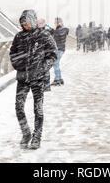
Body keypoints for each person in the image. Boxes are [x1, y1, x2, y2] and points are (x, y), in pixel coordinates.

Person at [9, 10, 58, 149]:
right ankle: (26, 133)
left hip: (38, 78)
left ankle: (37, 137)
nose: (25, 26)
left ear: (32, 21)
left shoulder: (43, 35)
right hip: (23, 78)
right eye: (23, 24)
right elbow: (12, 53)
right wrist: (18, 65)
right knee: (19, 107)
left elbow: (53, 54)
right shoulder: (18, 36)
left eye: (27, 23)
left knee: (38, 109)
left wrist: (43, 67)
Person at [49, 17, 69, 86]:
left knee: (55, 63)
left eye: (57, 22)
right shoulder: (57, 30)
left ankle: (57, 79)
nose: (56, 24)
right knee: (56, 64)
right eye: (55, 22)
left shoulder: (63, 29)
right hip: (58, 49)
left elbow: (59, 34)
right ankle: (59, 79)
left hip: (59, 49)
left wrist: (53, 31)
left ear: (60, 22)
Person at [38, 18, 54, 92]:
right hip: (40, 52)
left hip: (47, 52)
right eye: (39, 23)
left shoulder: (48, 30)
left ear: (44, 23)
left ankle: (47, 86)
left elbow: (52, 33)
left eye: (41, 23)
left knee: (45, 69)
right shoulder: (37, 30)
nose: (39, 24)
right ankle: (42, 85)